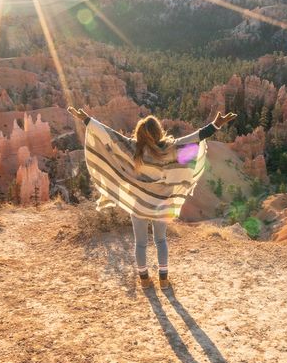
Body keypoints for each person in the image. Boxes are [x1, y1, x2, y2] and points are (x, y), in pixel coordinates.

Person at [68, 106, 236, 287]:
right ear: (159, 132)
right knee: (161, 240)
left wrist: (87, 120)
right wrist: (216, 124)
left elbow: (110, 135)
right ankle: (163, 279)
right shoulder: (170, 148)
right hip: (161, 204)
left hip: (139, 203)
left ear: (139, 134)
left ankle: (144, 279)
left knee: (140, 243)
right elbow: (196, 137)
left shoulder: (133, 148)